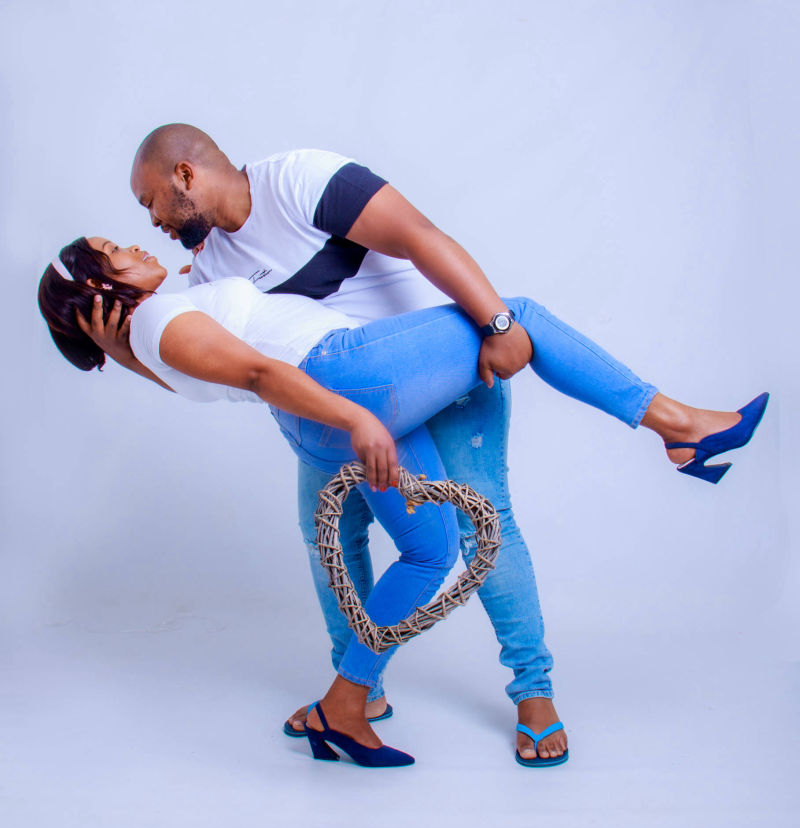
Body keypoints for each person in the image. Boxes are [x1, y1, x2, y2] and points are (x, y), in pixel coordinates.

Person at [37, 235, 768, 767]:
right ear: (99, 285)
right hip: (344, 380)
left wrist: (118, 346)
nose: (136, 241)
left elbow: (207, 370)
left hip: (328, 408)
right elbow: (258, 371)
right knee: (513, 316)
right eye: (114, 249)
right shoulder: (161, 323)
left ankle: (346, 701)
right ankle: (680, 427)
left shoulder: (154, 334)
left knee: (430, 550)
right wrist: (359, 418)